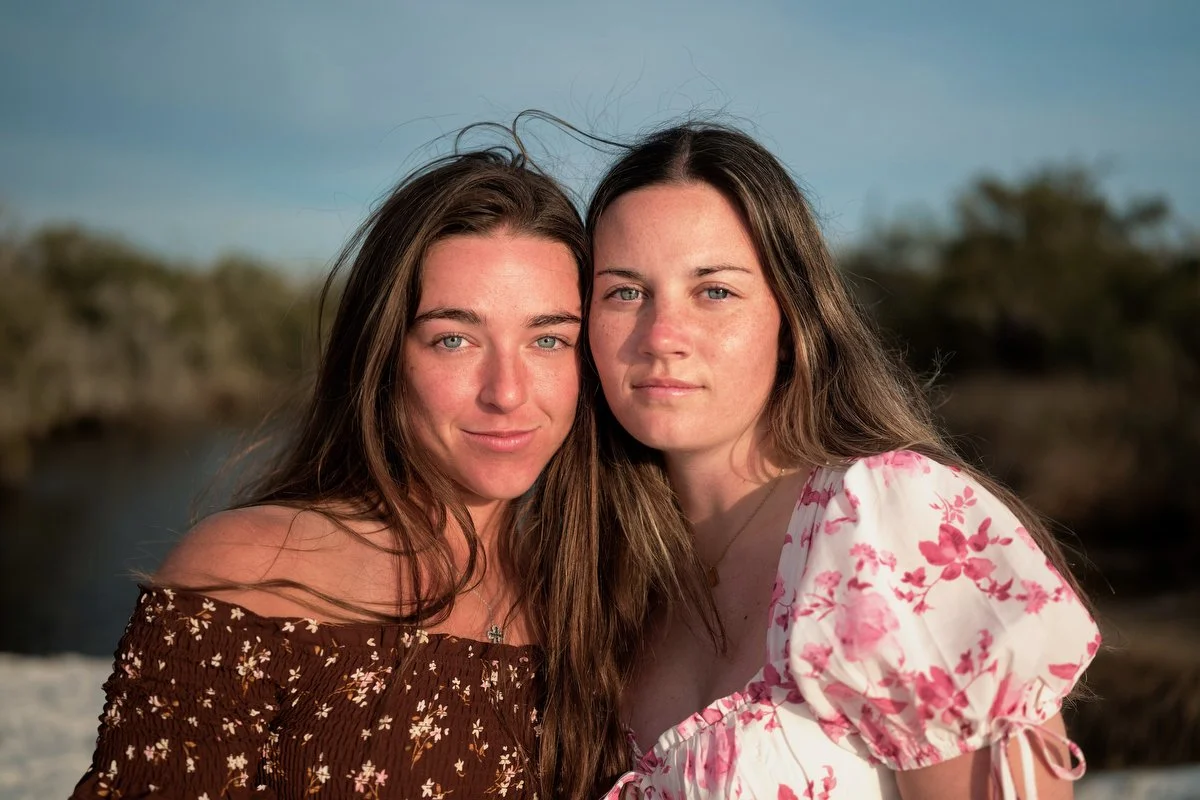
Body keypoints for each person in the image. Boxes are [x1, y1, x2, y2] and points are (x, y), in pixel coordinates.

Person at [583, 123, 1101, 799]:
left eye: (714, 292)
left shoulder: (884, 528)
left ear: (791, 320)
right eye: (625, 292)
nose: (661, 337)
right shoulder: (602, 575)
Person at [72, 143, 604, 799]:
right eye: (453, 338)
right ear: (383, 356)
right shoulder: (251, 572)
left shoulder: (591, 597)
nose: (508, 392)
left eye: (548, 339)